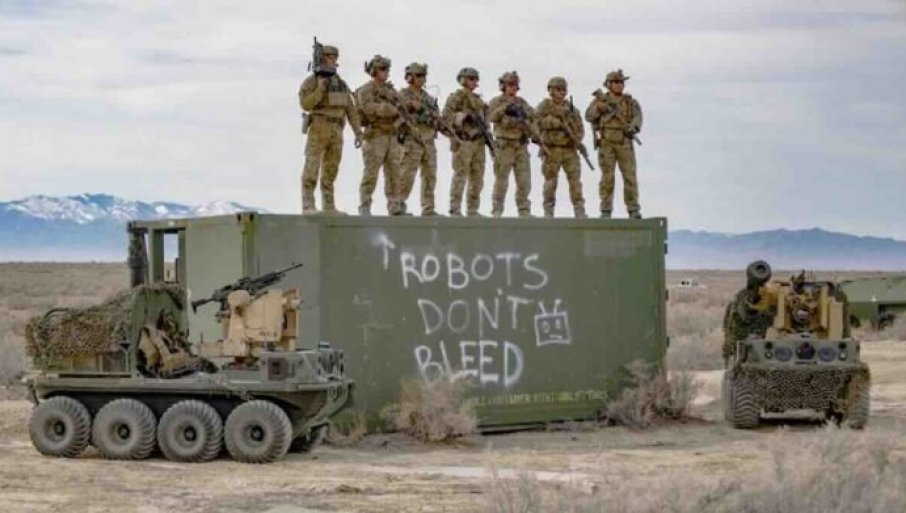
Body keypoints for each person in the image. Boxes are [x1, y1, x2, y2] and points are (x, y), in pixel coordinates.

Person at [298, 44, 362, 214]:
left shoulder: (341, 83)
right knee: (312, 166)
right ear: (321, 58)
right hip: (319, 126)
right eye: (329, 57)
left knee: (331, 170)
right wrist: (320, 90)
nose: (333, 60)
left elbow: (351, 109)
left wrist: (358, 131)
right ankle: (308, 205)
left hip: (337, 129)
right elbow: (305, 104)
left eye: (335, 57)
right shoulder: (312, 81)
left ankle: (329, 206)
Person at [585, 69, 643, 219]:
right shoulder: (600, 101)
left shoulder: (630, 102)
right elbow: (589, 116)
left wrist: (633, 127)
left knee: (630, 177)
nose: (620, 85)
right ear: (609, 84)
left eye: (621, 82)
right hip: (606, 143)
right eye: (616, 82)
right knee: (607, 178)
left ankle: (633, 209)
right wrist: (599, 108)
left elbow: (638, 116)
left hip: (624, 142)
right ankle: (606, 210)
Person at [354, 55, 403, 216]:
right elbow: (367, 108)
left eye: (387, 69)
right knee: (371, 172)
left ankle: (394, 204)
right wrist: (387, 108)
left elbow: (402, 109)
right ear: (374, 71)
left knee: (394, 173)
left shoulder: (391, 91)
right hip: (375, 135)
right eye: (382, 69)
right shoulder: (366, 90)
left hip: (392, 135)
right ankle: (365, 204)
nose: (386, 72)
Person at [487, 71, 539, 218]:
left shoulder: (522, 102)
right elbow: (491, 116)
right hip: (505, 146)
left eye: (515, 85)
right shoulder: (497, 101)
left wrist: (529, 124)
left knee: (524, 181)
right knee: (501, 180)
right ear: (503, 85)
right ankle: (497, 210)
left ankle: (524, 210)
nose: (513, 87)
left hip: (521, 145)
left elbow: (533, 116)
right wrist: (505, 108)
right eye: (510, 84)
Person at [535, 77, 587, 218]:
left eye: (564, 90)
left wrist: (577, 139)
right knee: (550, 182)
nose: (562, 92)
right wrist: (553, 123)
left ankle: (579, 210)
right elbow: (536, 123)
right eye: (558, 89)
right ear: (551, 90)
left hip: (569, 150)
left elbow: (580, 128)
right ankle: (548, 211)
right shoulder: (544, 107)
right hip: (551, 150)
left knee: (575, 182)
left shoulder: (572, 109)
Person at [397, 63, 443, 216]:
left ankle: (428, 208)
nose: (422, 79)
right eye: (419, 76)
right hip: (412, 139)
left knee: (430, 175)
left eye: (423, 76)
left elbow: (437, 117)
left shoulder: (428, 98)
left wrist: (435, 119)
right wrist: (411, 106)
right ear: (410, 77)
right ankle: (398, 204)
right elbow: (398, 110)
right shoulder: (403, 94)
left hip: (428, 139)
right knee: (407, 174)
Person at [442, 67, 489, 217]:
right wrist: (462, 117)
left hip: (478, 142)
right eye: (471, 79)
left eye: (475, 79)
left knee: (477, 177)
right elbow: (446, 117)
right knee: (461, 174)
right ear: (462, 80)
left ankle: (472, 209)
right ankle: (455, 208)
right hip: (464, 141)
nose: (474, 82)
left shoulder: (479, 101)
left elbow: (486, 121)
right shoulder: (456, 97)